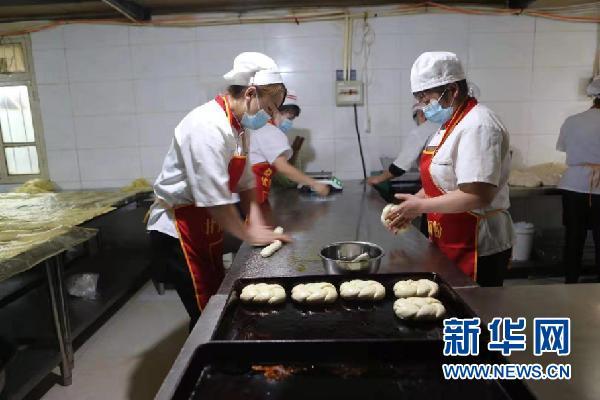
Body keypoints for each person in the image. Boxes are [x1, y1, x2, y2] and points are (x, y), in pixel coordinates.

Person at [146, 52, 290, 328]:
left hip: (206, 226)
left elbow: (246, 183)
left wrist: (256, 221)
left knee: (218, 301)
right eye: (269, 109)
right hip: (178, 230)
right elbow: (214, 198)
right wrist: (248, 234)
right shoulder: (207, 126)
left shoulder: (240, 128)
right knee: (206, 315)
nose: (271, 118)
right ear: (250, 93)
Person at [386, 52, 513, 287]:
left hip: (477, 243)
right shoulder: (448, 126)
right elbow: (441, 181)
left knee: (473, 306)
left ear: (453, 90)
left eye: (427, 99)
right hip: (448, 235)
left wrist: (420, 206)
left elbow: (478, 195)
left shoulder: (479, 125)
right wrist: (414, 203)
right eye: (420, 100)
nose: (424, 107)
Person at [249, 91, 330, 224]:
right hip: (252, 196)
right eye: (288, 116)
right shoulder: (271, 132)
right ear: (274, 110)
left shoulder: (262, 128)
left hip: (254, 195)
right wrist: (315, 184)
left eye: (291, 118)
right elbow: (283, 167)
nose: (288, 122)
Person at [556, 76, 600, 284]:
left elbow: (563, 147)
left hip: (573, 185)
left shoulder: (572, 121)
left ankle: (570, 281)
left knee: (574, 236)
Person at [367, 103, 439, 186]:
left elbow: (400, 167)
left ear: (421, 114)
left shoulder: (420, 131)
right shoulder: (442, 126)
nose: (416, 123)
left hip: (434, 183)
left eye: (415, 118)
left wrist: (378, 179)